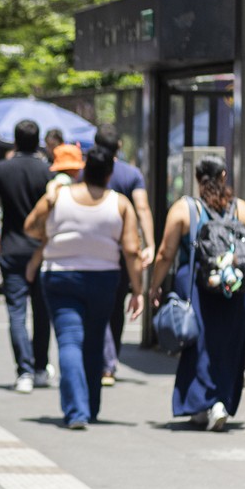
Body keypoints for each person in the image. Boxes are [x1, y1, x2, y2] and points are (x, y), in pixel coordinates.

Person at [150, 155, 245, 431]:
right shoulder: (242, 210)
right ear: (224, 176)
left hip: (198, 286)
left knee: (200, 345)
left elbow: (165, 253)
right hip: (234, 288)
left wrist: (154, 285)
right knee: (228, 345)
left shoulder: (185, 209)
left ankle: (209, 403)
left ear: (199, 180)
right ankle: (217, 401)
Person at [24, 146, 144, 430]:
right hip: (104, 279)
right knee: (93, 342)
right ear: (110, 174)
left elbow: (30, 226)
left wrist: (50, 233)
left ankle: (76, 411)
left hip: (60, 277)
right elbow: (131, 250)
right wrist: (138, 289)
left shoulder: (58, 196)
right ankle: (90, 407)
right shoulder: (120, 203)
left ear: (84, 169)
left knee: (69, 340)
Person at [0, 120, 53, 394]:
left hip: (12, 248)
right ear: (37, 141)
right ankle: (40, 367)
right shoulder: (46, 171)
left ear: (14, 140)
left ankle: (23, 370)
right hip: (43, 249)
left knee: (16, 312)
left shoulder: (1, 169)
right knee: (42, 312)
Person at [93, 124, 156, 385]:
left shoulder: (90, 171)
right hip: (121, 252)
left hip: (93, 249)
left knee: (95, 307)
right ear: (119, 146)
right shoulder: (131, 174)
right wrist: (150, 243)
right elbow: (142, 208)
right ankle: (109, 362)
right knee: (116, 307)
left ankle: (102, 360)